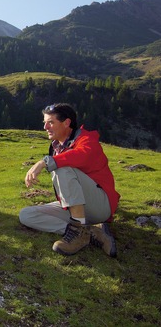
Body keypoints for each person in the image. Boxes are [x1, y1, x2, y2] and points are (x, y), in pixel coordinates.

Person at [20, 103, 120, 257]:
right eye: (44, 123)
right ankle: (89, 231)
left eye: (51, 122)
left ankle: (78, 230)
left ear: (66, 123)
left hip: (100, 206)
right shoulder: (56, 146)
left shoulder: (87, 139)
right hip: (76, 207)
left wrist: (45, 162)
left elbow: (82, 155)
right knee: (27, 215)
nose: (45, 127)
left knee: (61, 167)